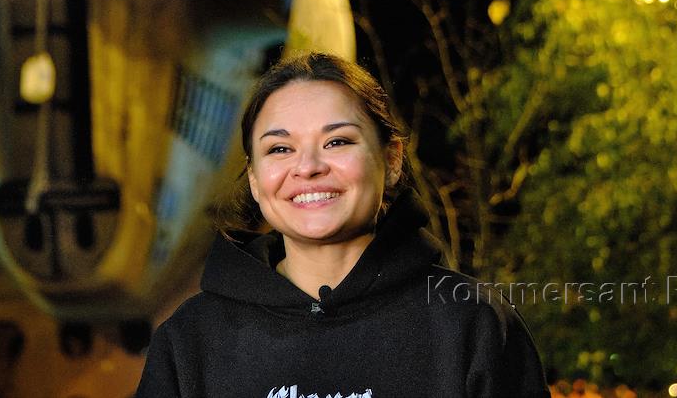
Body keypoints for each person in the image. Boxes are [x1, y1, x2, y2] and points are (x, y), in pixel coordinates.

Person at [135, 51, 551, 398]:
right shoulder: (190, 342)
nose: (308, 167)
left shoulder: (471, 325)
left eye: (337, 141)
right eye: (280, 148)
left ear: (391, 160)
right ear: (256, 180)